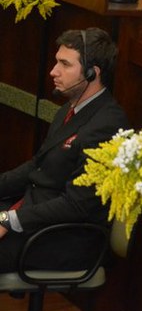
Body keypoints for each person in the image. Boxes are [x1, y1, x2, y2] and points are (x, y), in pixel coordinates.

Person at [0, 28, 130, 271]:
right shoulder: (69, 110)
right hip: (34, 213)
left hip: (65, 237)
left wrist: (9, 219)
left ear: (92, 73)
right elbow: (37, 166)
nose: (53, 71)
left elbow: (77, 205)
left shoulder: (107, 125)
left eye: (65, 64)